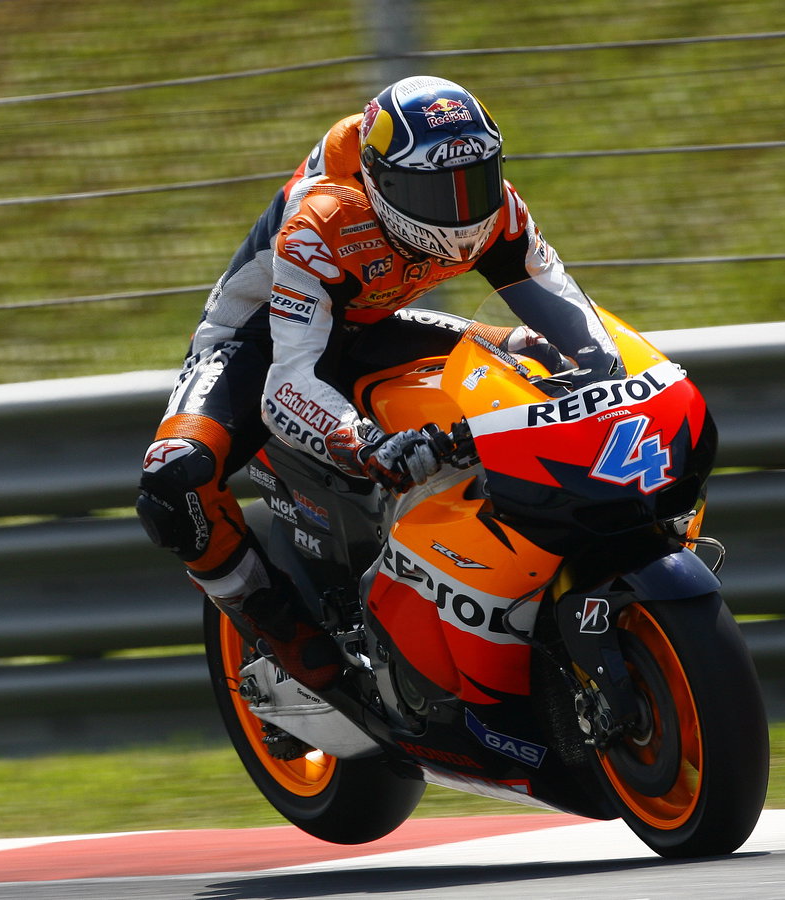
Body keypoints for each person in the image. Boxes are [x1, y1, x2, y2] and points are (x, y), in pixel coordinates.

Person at [136, 75, 620, 691]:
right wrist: (365, 444)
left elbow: (565, 304)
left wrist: (610, 373)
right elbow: (288, 382)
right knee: (173, 476)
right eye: (433, 191)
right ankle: (279, 630)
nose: (461, 210)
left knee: (537, 357)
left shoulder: (499, 206)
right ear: (380, 182)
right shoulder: (324, 217)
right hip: (261, 343)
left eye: (473, 181)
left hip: (372, 326)